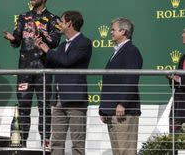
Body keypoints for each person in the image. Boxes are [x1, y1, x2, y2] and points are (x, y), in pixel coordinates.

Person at [3, 0, 61, 148]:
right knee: (23, 108)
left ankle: (46, 145)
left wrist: (42, 36)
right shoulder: (23, 17)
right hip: (25, 69)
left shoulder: (53, 19)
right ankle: (20, 145)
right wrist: (13, 40)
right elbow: (17, 40)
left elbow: (55, 42)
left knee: (45, 109)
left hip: (44, 69)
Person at [36, 11, 92, 155]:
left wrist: (48, 50)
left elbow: (67, 62)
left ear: (69, 23)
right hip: (58, 99)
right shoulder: (62, 45)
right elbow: (51, 64)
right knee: (56, 142)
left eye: (61, 21)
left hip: (75, 99)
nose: (58, 24)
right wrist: (42, 50)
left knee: (77, 143)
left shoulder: (84, 42)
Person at [99, 18, 143, 155]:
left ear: (123, 31)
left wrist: (122, 103)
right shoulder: (118, 51)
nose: (110, 32)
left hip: (124, 110)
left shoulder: (131, 51)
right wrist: (104, 109)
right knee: (118, 151)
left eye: (113, 30)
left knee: (126, 151)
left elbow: (131, 79)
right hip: (112, 110)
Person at [167, 28, 185, 131]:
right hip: (179, 106)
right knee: (175, 139)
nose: (182, 35)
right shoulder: (183, 57)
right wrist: (172, 78)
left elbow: (181, 79)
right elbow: (176, 81)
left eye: (184, 32)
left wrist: (179, 80)